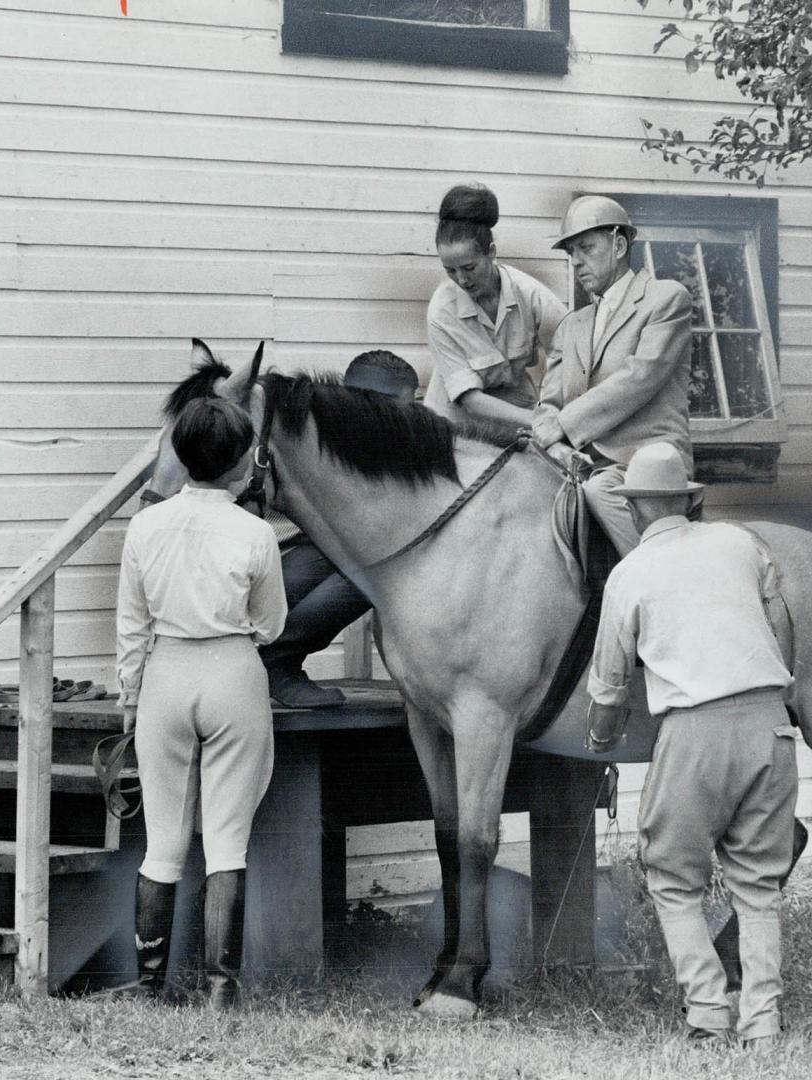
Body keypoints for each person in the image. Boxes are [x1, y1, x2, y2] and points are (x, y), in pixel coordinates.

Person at [584, 442, 796, 1047]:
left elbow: (610, 683)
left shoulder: (630, 575)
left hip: (695, 730)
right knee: (758, 886)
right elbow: (779, 623)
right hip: (770, 723)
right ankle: (762, 1028)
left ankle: (707, 1014)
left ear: (635, 510)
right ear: (687, 500)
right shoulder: (739, 543)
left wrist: (600, 739)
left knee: (674, 879)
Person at [116, 396, 288, 1009]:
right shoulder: (256, 533)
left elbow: (132, 624)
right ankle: (220, 993)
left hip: (166, 673)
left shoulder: (145, 526)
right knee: (227, 840)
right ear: (243, 462)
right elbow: (270, 625)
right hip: (231, 673)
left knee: (162, 842)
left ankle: (149, 984)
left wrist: (131, 695)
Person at [531, 195, 693, 555]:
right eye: (571, 252)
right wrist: (555, 445)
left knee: (600, 491)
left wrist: (565, 425)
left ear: (619, 245)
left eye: (586, 248)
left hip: (647, 467)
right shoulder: (572, 326)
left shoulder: (665, 299)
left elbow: (639, 378)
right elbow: (549, 404)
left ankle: (661, 581)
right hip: (577, 466)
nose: (576, 261)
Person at [259, 350, 420, 708]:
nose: (407, 419)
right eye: (398, 410)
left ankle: (274, 660)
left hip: (312, 550)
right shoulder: (309, 433)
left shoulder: (385, 443)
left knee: (371, 563)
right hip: (268, 554)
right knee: (371, 570)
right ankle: (276, 661)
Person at [424, 183, 568, 427]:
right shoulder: (441, 311)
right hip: (456, 421)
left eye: (469, 268)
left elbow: (571, 350)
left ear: (491, 252)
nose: (461, 280)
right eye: (450, 271)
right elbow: (469, 400)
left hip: (517, 408)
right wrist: (536, 420)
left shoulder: (529, 294)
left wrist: (552, 407)